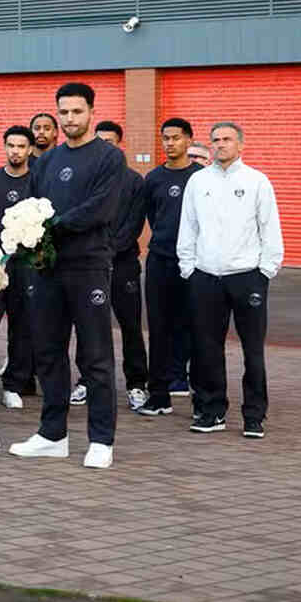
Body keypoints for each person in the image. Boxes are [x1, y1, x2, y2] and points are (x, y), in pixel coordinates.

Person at [10, 83, 124, 469]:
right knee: (47, 351)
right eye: (64, 112)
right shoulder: (46, 161)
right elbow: (31, 205)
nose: (70, 118)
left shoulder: (109, 157)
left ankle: (101, 440)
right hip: (47, 268)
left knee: (95, 356)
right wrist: (28, 233)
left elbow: (101, 208)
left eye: (77, 111)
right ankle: (52, 434)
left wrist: (54, 224)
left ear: (91, 112)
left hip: (89, 266)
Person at [178, 122, 283, 438]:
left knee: (253, 349)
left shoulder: (256, 181)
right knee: (206, 347)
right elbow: (189, 226)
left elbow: (269, 227)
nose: (220, 144)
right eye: (215, 140)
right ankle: (212, 412)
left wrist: (265, 270)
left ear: (240, 144)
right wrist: (189, 267)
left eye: (227, 139)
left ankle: (254, 416)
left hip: (247, 277)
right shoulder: (198, 181)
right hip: (206, 277)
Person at [136, 118, 204, 415]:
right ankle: (159, 395)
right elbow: (152, 215)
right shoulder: (154, 178)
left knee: (197, 326)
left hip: (197, 263)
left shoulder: (202, 177)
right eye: (165, 138)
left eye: (176, 138)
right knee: (159, 327)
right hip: (161, 260)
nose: (170, 143)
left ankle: (201, 397)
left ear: (189, 140)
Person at [90, 120, 148, 412]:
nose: (104, 146)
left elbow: (134, 225)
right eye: (100, 141)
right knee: (89, 326)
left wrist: (107, 250)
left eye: (110, 141)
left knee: (130, 326)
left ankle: (136, 383)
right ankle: (87, 381)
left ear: (119, 144)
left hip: (122, 264)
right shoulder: (87, 178)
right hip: (90, 266)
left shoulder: (134, 181)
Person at [0, 126, 36, 408]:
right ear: (4, 147)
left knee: (23, 325)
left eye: (21, 146)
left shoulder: (37, 181)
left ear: (30, 149)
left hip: (26, 264)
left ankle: (14, 384)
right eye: (11, 145)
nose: (15, 151)